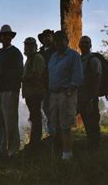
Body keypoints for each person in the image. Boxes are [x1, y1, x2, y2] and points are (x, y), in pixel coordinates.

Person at [48, 31, 83, 160]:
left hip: (65, 94)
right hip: (54, 94)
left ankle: (67, 155)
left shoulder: (73, 56)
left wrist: (69, 91)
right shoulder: (53, 57)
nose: (59, 43)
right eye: (57, 40)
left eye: (61, 40)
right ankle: (59, 152)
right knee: (55, 124)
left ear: (67, 41)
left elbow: (78, 76)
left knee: (66, 126)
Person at [0, 24, 23, 157]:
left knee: (10, 121)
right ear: (0, 38)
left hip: (10, 90)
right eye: (3, 35)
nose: (5, 37)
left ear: (11, 37)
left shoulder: (16, 53)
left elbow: (19, 72)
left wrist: (0, 73)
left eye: (7, 35)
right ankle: (1, 150)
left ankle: (13, 150)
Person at [78, 36, 102, 150]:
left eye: (87, 43)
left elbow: (97, 78)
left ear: (90, 45)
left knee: (92, 121)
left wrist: (93, 97)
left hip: (90, 95)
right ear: (79, 45)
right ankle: (92, 145)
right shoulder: (80, 59)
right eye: (83, 43)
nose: (85, 45)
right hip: (82, 94)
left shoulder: (93, 60)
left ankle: (95, 147)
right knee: (87, 121)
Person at [22, 37, 46, 149]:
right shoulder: (30, 59)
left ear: (35, 47)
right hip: (30, 93)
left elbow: (37, 75)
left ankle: (35, 142)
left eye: (30, 46)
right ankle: (34, 141)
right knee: (34, 116)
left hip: (35, 93)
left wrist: (22, 78)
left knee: (36, 117)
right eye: (26, 46)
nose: (27, 48)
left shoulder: (37, 58)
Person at [37, 29, 55, 138]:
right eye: (45, 37)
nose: (47, 38)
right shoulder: (40, 53)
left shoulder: (56, 52)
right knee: (45, 109)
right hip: (41, 85)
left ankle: (54, 133)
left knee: (52, 109)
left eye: (49, 36)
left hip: (53, 84)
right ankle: (50, 133)